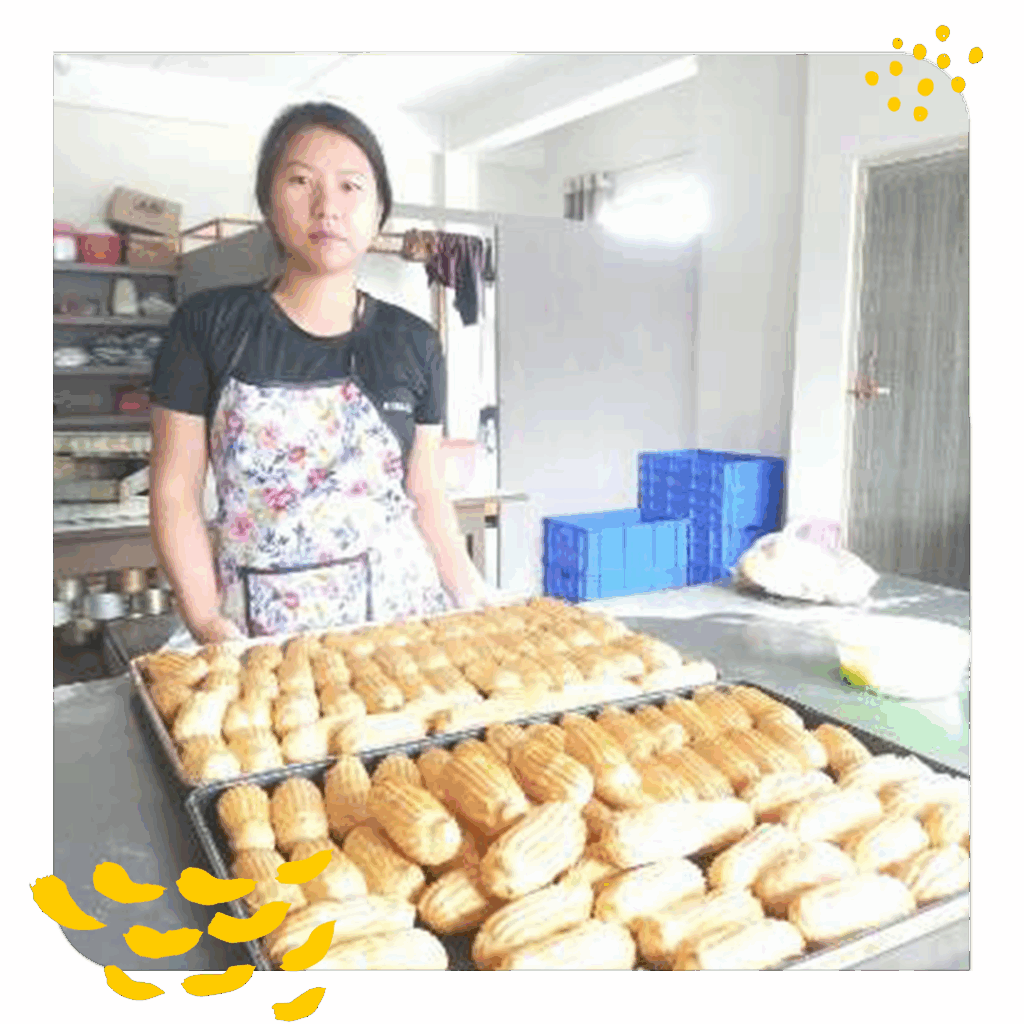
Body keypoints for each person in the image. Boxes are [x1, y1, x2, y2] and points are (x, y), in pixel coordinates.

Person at [149, 102, 492, 643]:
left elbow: (425, 491)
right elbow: (174, 493)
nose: (326, 206)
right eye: (301, 181)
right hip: (261, 640)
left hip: (402, 627)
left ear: (379, 209)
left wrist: (474, 599)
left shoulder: (415, 341)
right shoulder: (207, 324)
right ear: (267, 202)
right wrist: (208, 622)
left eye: (351, 186)